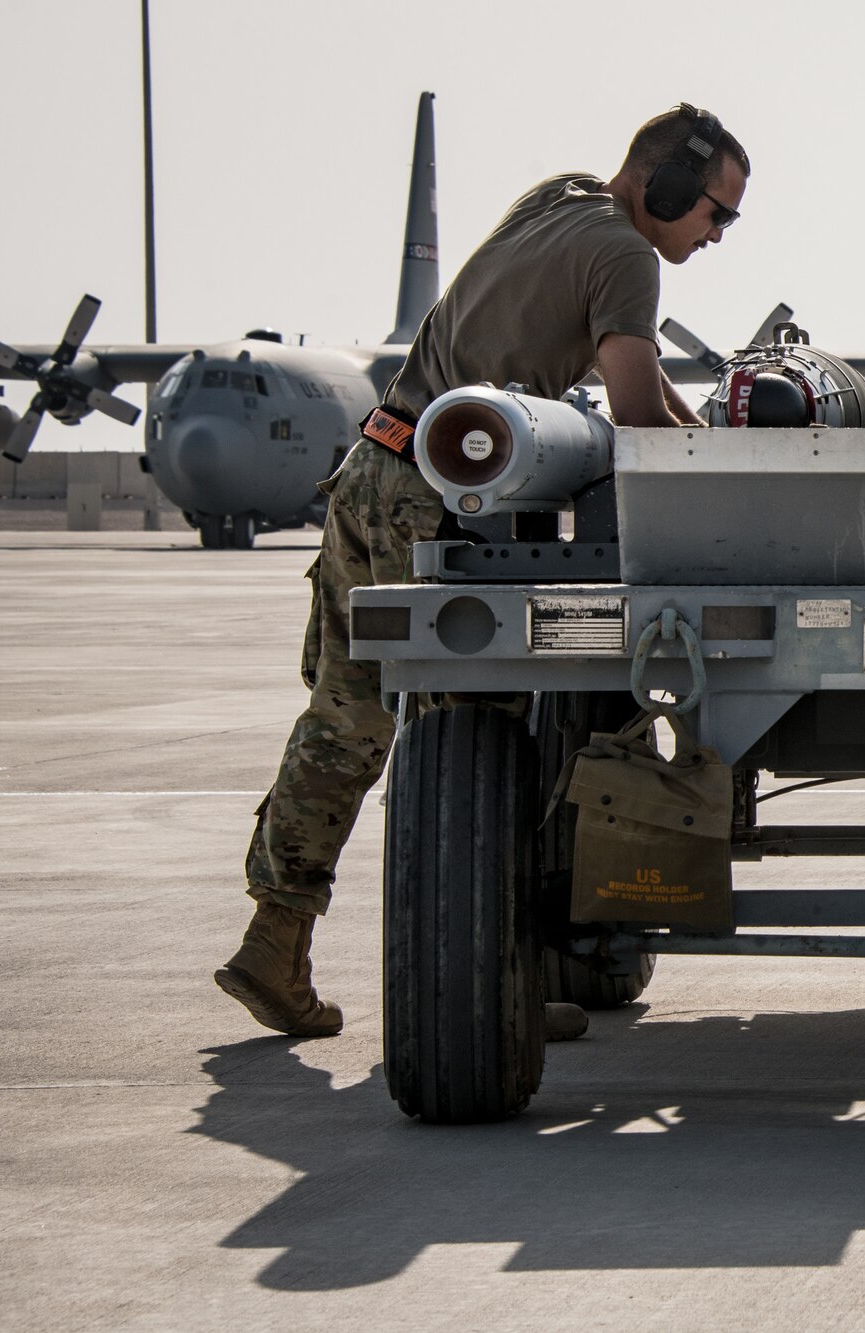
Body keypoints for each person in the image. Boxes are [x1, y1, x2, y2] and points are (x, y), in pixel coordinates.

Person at [216, 105, 750, 1038]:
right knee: (477, 748)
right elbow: (631, 407)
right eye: (716, 213)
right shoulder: (626, 255)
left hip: (376, 466)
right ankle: (483, 987)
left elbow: (637, 367)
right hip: (448, 503)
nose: (714, 235)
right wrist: (737, 480)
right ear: (666, 188)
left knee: (343, 720)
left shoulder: (559, 200)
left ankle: (275, 937)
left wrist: (696, 428)